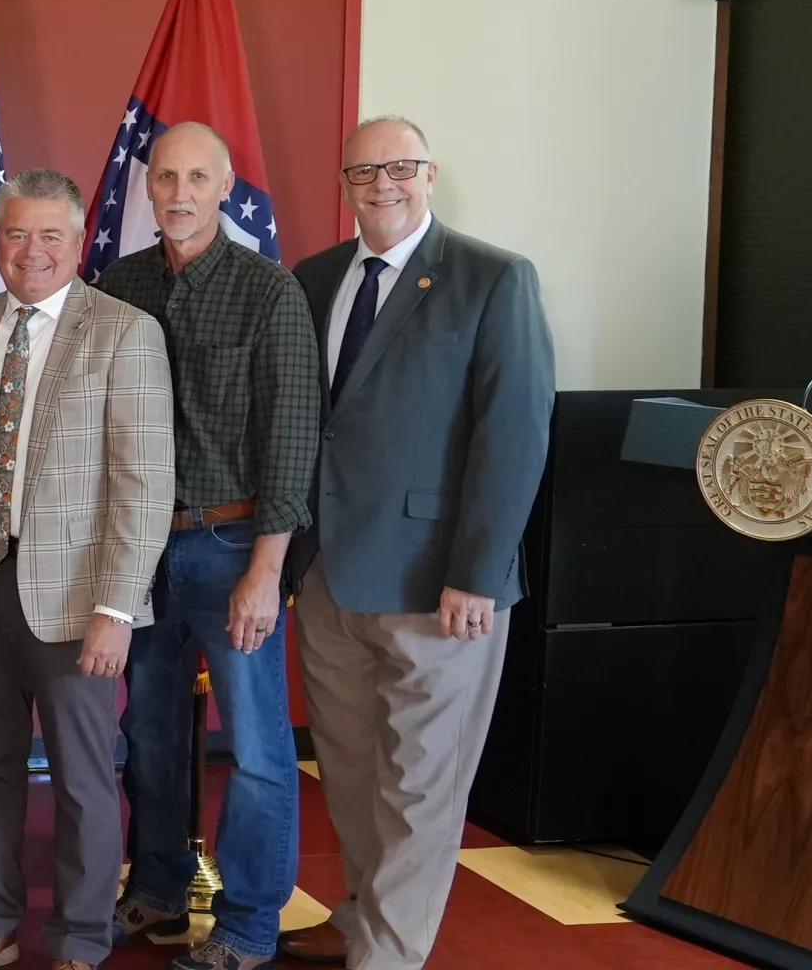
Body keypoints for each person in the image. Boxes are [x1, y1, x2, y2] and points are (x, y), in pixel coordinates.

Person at [276, 117, 553, 970]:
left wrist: (478, 572)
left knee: (422, 789)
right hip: (329, 577)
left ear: (430, 175)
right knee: (352, 777)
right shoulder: (315, 277)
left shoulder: (493, 278)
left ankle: (387, 957)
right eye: (363, 171)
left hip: (441, 587)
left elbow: (514, 435)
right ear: (345, 185)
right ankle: (362, 912)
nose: (382, 184)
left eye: (400, 168)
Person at [93, 123, 322, 970]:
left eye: (197, 177)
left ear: (227, 189)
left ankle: (249, 922)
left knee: (258, 750)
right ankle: (155, 887)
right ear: (146, 188)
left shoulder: (269, 293)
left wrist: (267, 569)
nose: (179, 193)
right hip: (139, 551)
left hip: (233, 548)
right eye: (165, 177)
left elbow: (293, 442)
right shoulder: (121, 284)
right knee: (148, 735)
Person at [0, 168, 175, 970]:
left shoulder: (124, 331)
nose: (30, 250)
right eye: (15, 233)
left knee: (81, 780)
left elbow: (144, 480)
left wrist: (118, 606)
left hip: (78, 599)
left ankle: (78, 940)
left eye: (50, 235)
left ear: (78, 242)